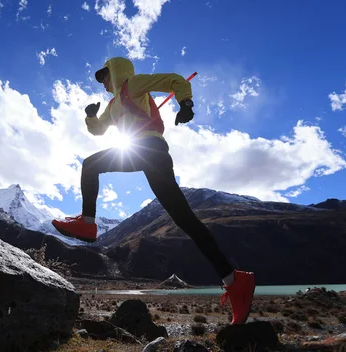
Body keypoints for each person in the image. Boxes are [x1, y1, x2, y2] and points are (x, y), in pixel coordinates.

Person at [51, 57, 255, 325]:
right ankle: (234, 280)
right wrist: (90, 117)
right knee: (186, 221)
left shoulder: (133, 85)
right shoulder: (113, 105)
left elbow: (175, 80)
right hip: (142, 152)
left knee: (90, 165)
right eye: (100, 79)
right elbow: (100, 130)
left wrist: (186, 103)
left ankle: (88, 223)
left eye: (104, 76)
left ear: (115, 72)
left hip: (152, 149)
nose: (103, 82)